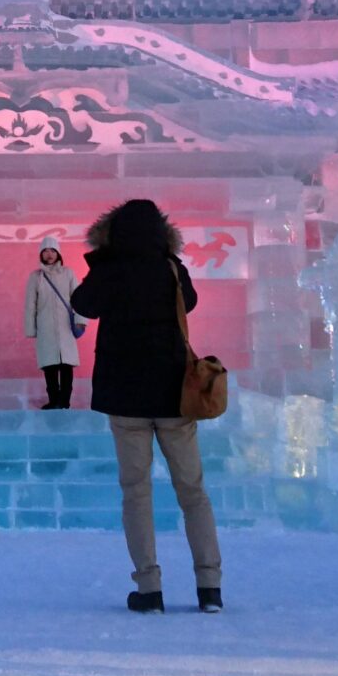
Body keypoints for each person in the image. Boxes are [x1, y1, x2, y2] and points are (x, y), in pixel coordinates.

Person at [70, 199, 221, 614]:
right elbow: (187, 304)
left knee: (136, 493)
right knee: (192, 492)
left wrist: (101, 261)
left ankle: (149, 589)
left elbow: (83, 304)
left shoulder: (109, 268)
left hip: (125, 395)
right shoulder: (171, 267)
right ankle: (210, 587)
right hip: (175, 393)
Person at [23, 235, 83, 410]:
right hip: (46, 327)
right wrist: (31, 329)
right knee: (49, 367)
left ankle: (64, 402)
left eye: (52, 250)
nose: (49, 254)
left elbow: (78, 299)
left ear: (58, 253)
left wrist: (80, 322)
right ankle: (53, 400)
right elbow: (30, 305)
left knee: (66, 367)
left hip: (65, 327)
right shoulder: (36, 277)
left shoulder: (69, 273)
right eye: (45, 251)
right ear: (41, 254)